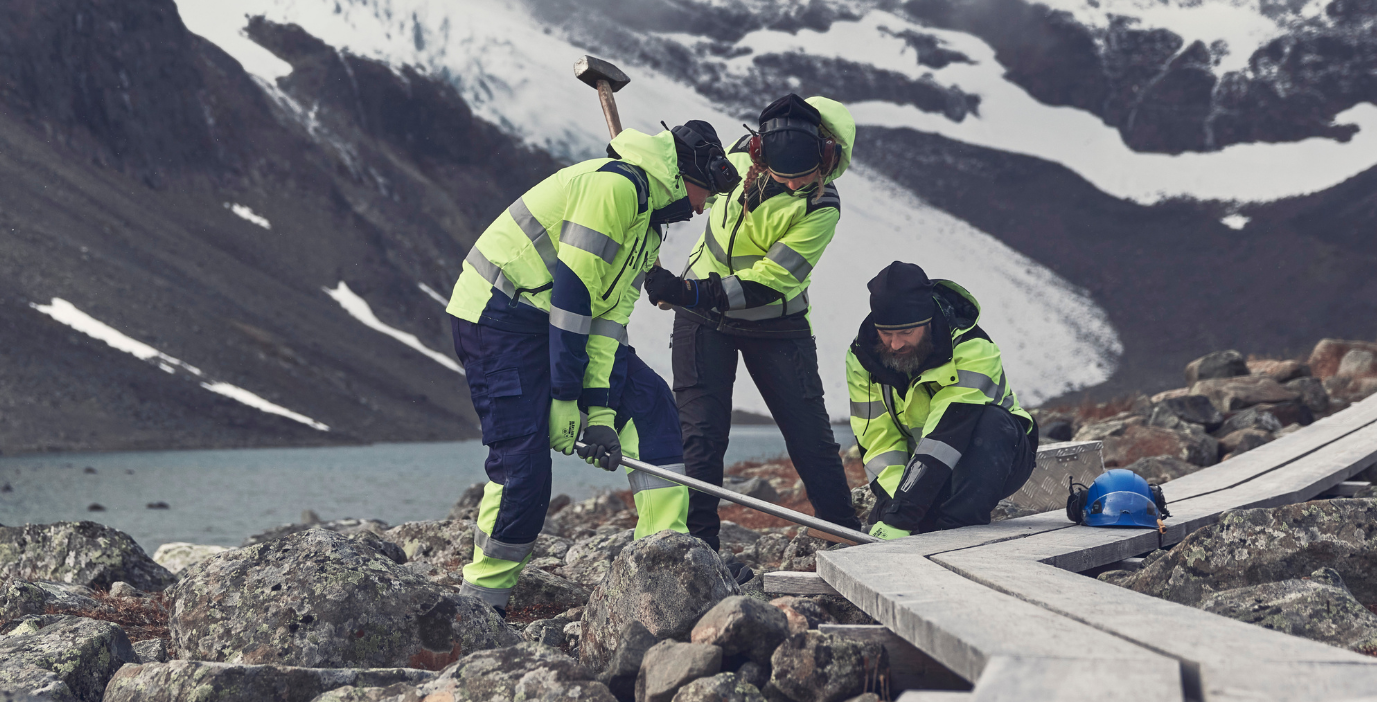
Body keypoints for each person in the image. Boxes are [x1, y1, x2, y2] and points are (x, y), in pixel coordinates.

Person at [444, 120, 739, 615]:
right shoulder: (614, 188)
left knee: (651, 410)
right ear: (686, 173)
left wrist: (599, 412)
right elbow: (573, 296)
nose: (703, 205)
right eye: (704, 192)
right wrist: (564, 398)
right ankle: (480, 604)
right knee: (525, 466)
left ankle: (662, 566)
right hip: (498, 317)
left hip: (558, 325)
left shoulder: (649, 227)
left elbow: (607, 325)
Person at [643, 93, 861, 554]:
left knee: (811, 436)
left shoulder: (822, 207)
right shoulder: (739, 156)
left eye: (802, 176)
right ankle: (700, 554)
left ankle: (846, 536)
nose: (790, 182)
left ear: (826, 158)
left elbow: (773, 280)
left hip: (774, 324)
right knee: (701, 438)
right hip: (701, 316)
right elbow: (687, 182)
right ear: (759, 151)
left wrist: (687, 292)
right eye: (781, 172)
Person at [846, 261, 1038, 539]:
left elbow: (946, 435)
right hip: (922, 467)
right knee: (893, 521)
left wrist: (903, 517)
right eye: (886, 333)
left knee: (991, 422)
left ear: (928, 322)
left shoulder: (974, 348)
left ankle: (958, 530)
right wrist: (895, 504)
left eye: (906, 333)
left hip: (996, 457)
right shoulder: (861, 357)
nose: (895, 344)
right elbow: (877, 440)